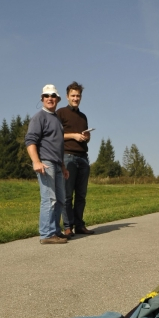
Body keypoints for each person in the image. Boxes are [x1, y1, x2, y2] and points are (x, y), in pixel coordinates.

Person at [25, 84, 69, 245]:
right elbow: (30, 140)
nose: (50, 98)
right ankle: (46, 234)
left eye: (53, 96)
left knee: (60, 200)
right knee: (49, 199)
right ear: (42, 99)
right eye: (46, 96)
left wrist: (63, 166)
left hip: (57, 164)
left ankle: (55, 231)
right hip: (46, 163)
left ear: (57, 99)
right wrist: (36, 161)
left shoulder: (56, 119)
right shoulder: (39, 117)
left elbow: (59, 145)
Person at [56, 81, 95, 237]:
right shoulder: (61, 113)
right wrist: (73, 135)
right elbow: (56, 135)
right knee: (67, 195)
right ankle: (67, 226)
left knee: (81, 195)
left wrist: (87, 136)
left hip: (83, 157)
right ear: (67, 97)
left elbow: (85, 138)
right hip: (68, 157)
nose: (75, 98)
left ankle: (79, 225)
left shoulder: (83, 116)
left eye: (78, 96)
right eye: (73, 95)